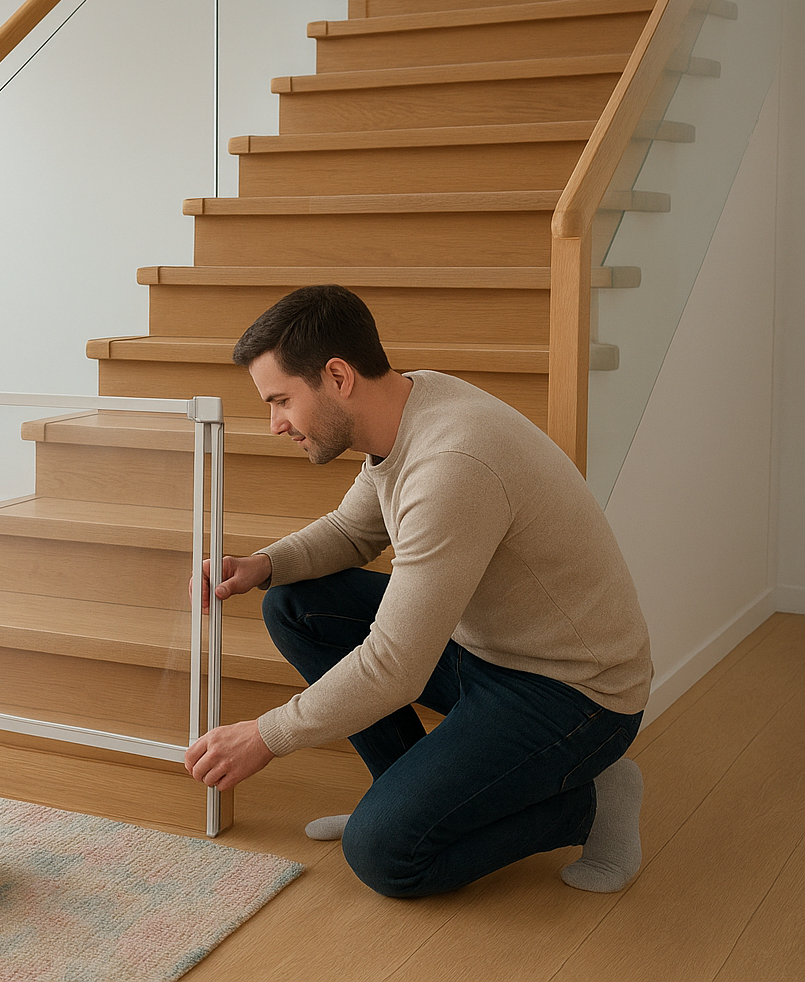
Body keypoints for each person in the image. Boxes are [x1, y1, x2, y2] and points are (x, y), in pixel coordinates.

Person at [184, 284, 653, 898]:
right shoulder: (407, 404)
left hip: (574, 695)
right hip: (487, 652)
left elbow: (394, 668)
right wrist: (262, 564)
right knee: (295, 603)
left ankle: (593, 802)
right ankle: (400, 793)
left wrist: (266, 735)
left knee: (385, 855)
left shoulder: (451, 461)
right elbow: (355, 530)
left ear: (337, 376)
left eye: (280, 401)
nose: (275, 425)